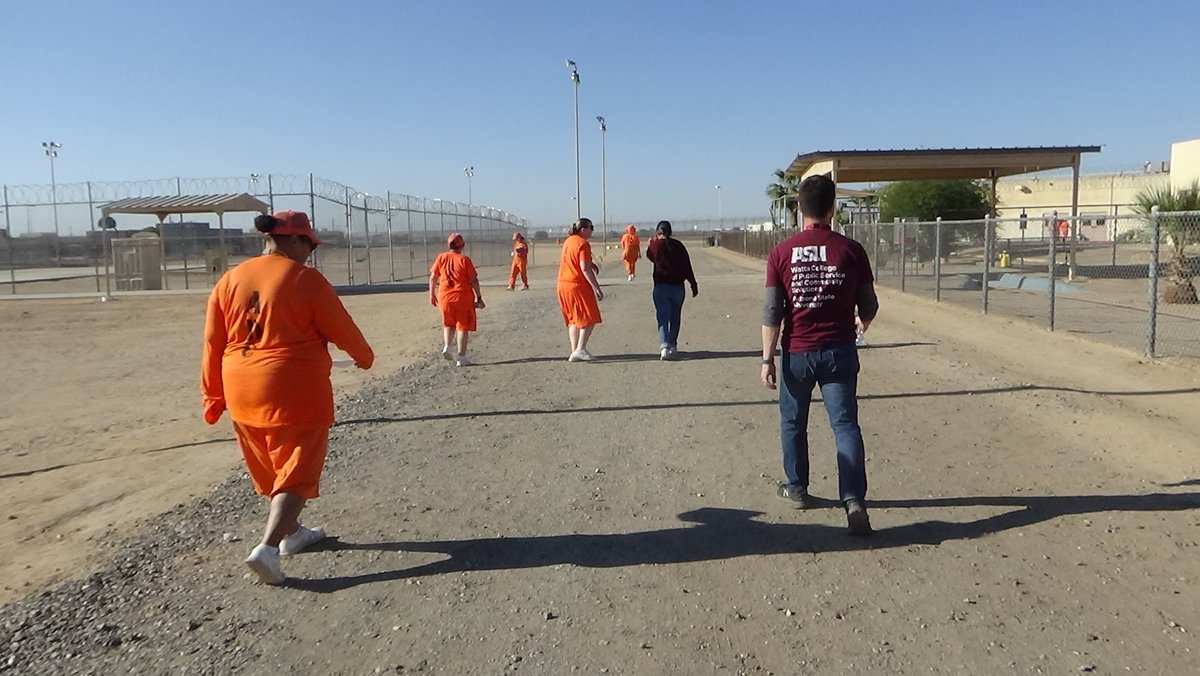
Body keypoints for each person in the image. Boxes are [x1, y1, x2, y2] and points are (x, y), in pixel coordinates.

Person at [201, 210, 374, 584]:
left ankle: (294, 535)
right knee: (296, 473)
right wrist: (364, 356)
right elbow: (341, 326)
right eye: (308, 243)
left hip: (240, 386)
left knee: (274, 468)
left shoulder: (230, 279)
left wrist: (212, 395)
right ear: (292, 240)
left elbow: (213, 342)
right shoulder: (305, 280)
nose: (311, 251)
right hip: (293, 386)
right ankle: (266, 549)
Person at [760, 175, 879, 536]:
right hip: (839, 350)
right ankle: (854, 500)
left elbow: (772, 312)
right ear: (833, 208)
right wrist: (862, 322)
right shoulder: (851, 250)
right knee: (844, 426)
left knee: (793, 422)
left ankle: (796, 487)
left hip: (797, 352)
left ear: (800, 208)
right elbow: (869, 304)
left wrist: (767, 359)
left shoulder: (781, 253)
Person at [645, 220, 699, 360]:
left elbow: (650, 256)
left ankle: (664, 347)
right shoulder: (679, 245)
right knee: (675, 317)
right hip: (678, 288)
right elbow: (687, 266)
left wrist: (651, 243)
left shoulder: (656, 245)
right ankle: (673, 346)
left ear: (658, 233)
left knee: (662, 317)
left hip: (661, 287)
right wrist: (693, 283)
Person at [430, 232, 485, 367]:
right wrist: (479, 297)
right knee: (462, 326)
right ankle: (461, 357)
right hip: (462, 297)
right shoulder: (464, 260)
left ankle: (447, 346)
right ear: (462, 246)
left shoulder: (441, 257)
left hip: (444, 297)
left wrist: (432, 294)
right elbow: (473, 280)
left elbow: (433, 277)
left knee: (448, 323)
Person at [557, 217, 604, 361]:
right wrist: (596, 287)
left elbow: (576, 261)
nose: (592, 231)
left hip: (562, 284)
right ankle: (581, 349)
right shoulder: (582, 243)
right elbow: (584, 268)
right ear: (583, 229)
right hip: (577, 285)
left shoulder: (568, 241)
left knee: (574, 319)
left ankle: (575, 350)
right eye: (591, 228)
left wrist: (591, 265)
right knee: (590, 317)